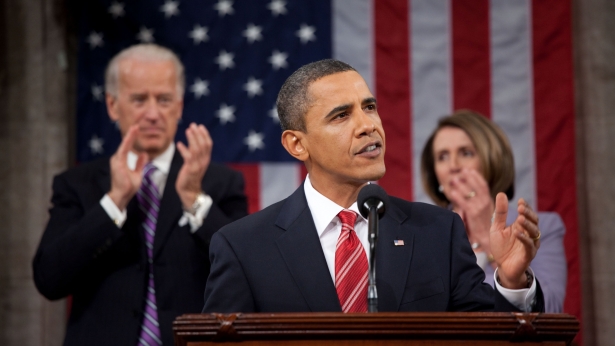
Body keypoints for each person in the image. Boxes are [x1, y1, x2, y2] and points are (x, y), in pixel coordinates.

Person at [202, 59, 544, 314]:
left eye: (369, 107)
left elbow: (484, 335)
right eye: (341, 115)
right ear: (297, 144)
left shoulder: (438, 232)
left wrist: (512, 283)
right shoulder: (244, 248)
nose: (368, 125)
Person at [32, 44, 248, 346]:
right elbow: (49, 280)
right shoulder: (77, 184)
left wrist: (193, 199)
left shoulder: (219, 183)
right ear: (112, 105)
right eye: (138, 100)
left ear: (180, 106)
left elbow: (246, 274)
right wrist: (113, 202)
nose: (152, 114)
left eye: (164, 100)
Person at [420, 110, 567, 313]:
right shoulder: (419, 233)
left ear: (493, 160)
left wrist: (484, 235)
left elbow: (550, 311)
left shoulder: (542, 227)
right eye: (442, 156)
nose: (453, 166)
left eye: (466, 153)